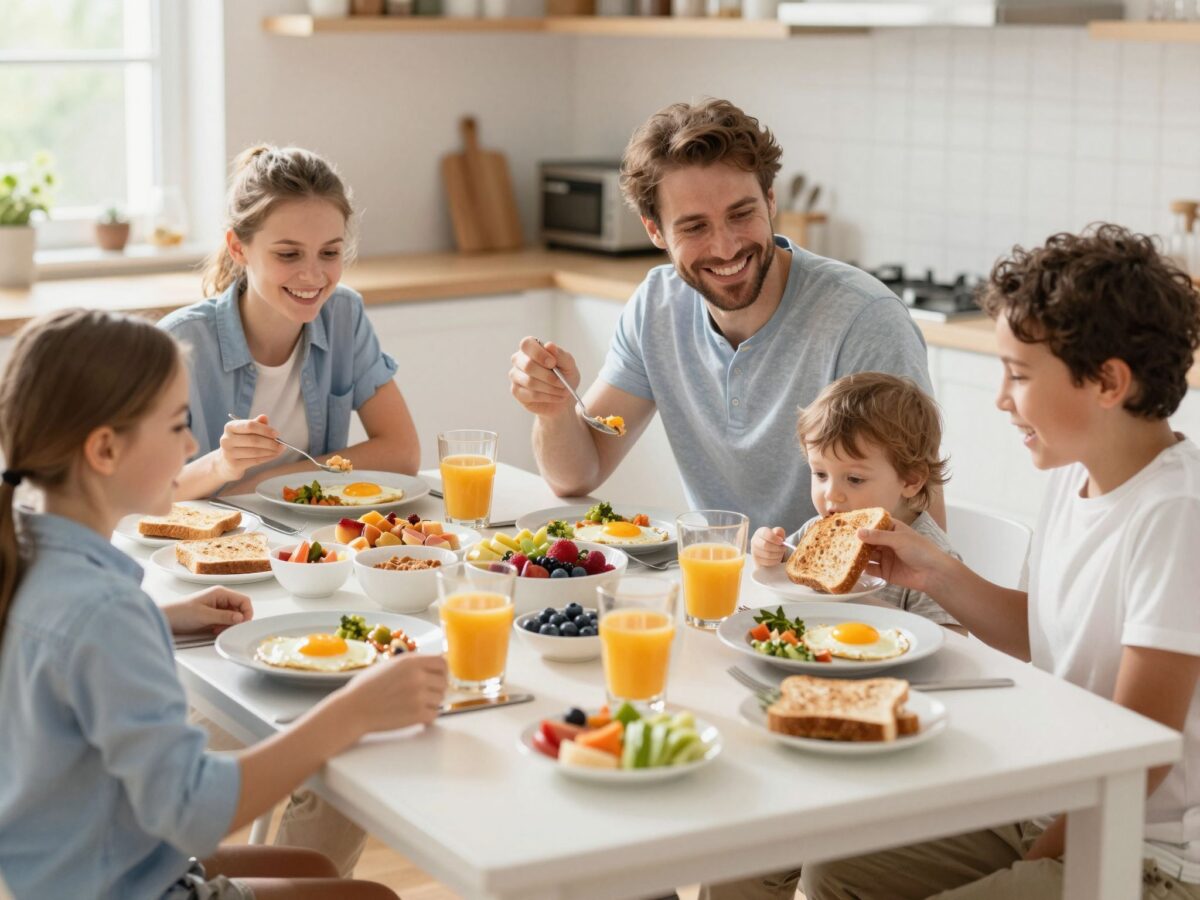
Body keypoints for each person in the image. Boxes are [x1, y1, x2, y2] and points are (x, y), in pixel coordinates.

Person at [802, 224, 1200, 899]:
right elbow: (1046, 632)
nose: (1001, 398)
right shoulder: (1072, 476)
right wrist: (933, 572)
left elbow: (1141, 755)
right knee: (836, 869)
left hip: (1142, 848)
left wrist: (1032, 858)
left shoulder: (1176, 514)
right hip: (1047, 799)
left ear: (1108, 382)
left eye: (1018, 374)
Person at [0, 309, 448, 899]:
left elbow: (64, 654)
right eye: (177, 426)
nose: (191, 446)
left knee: (314, 868)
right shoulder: (105, 613)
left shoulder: (30, 556)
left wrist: (161, 620)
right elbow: (193, 810)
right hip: (121, 883)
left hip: (59, 869)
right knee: (374, 897)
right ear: (105, 450)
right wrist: (353, 712)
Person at [508, 98, 938, 533]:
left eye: (741, 213)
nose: (726, 247)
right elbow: (576, 475)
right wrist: (554, 409)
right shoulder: (657, 306)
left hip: (829, 597)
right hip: (717, 580)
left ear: (770, 201)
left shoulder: (865, 322)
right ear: (655, 230)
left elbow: (924, 531)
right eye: (695, 227)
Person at [163, 145, 419, 500]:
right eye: (288, 254)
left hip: (310, 544)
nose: (313, 276)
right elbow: (140, 494)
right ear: (238, 248)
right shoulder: (179, 343)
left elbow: (402, 452)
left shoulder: (343, 315)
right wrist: (221, 465)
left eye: (329, 253)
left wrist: (269, 482)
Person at [751, 372, 962, 631]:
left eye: (853, 479)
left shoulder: (929, 557)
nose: (831, 493)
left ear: (910, 480)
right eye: (820, 474)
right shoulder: (816, 531)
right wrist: (770, 551)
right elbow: (783, 569)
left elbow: (952, 639)